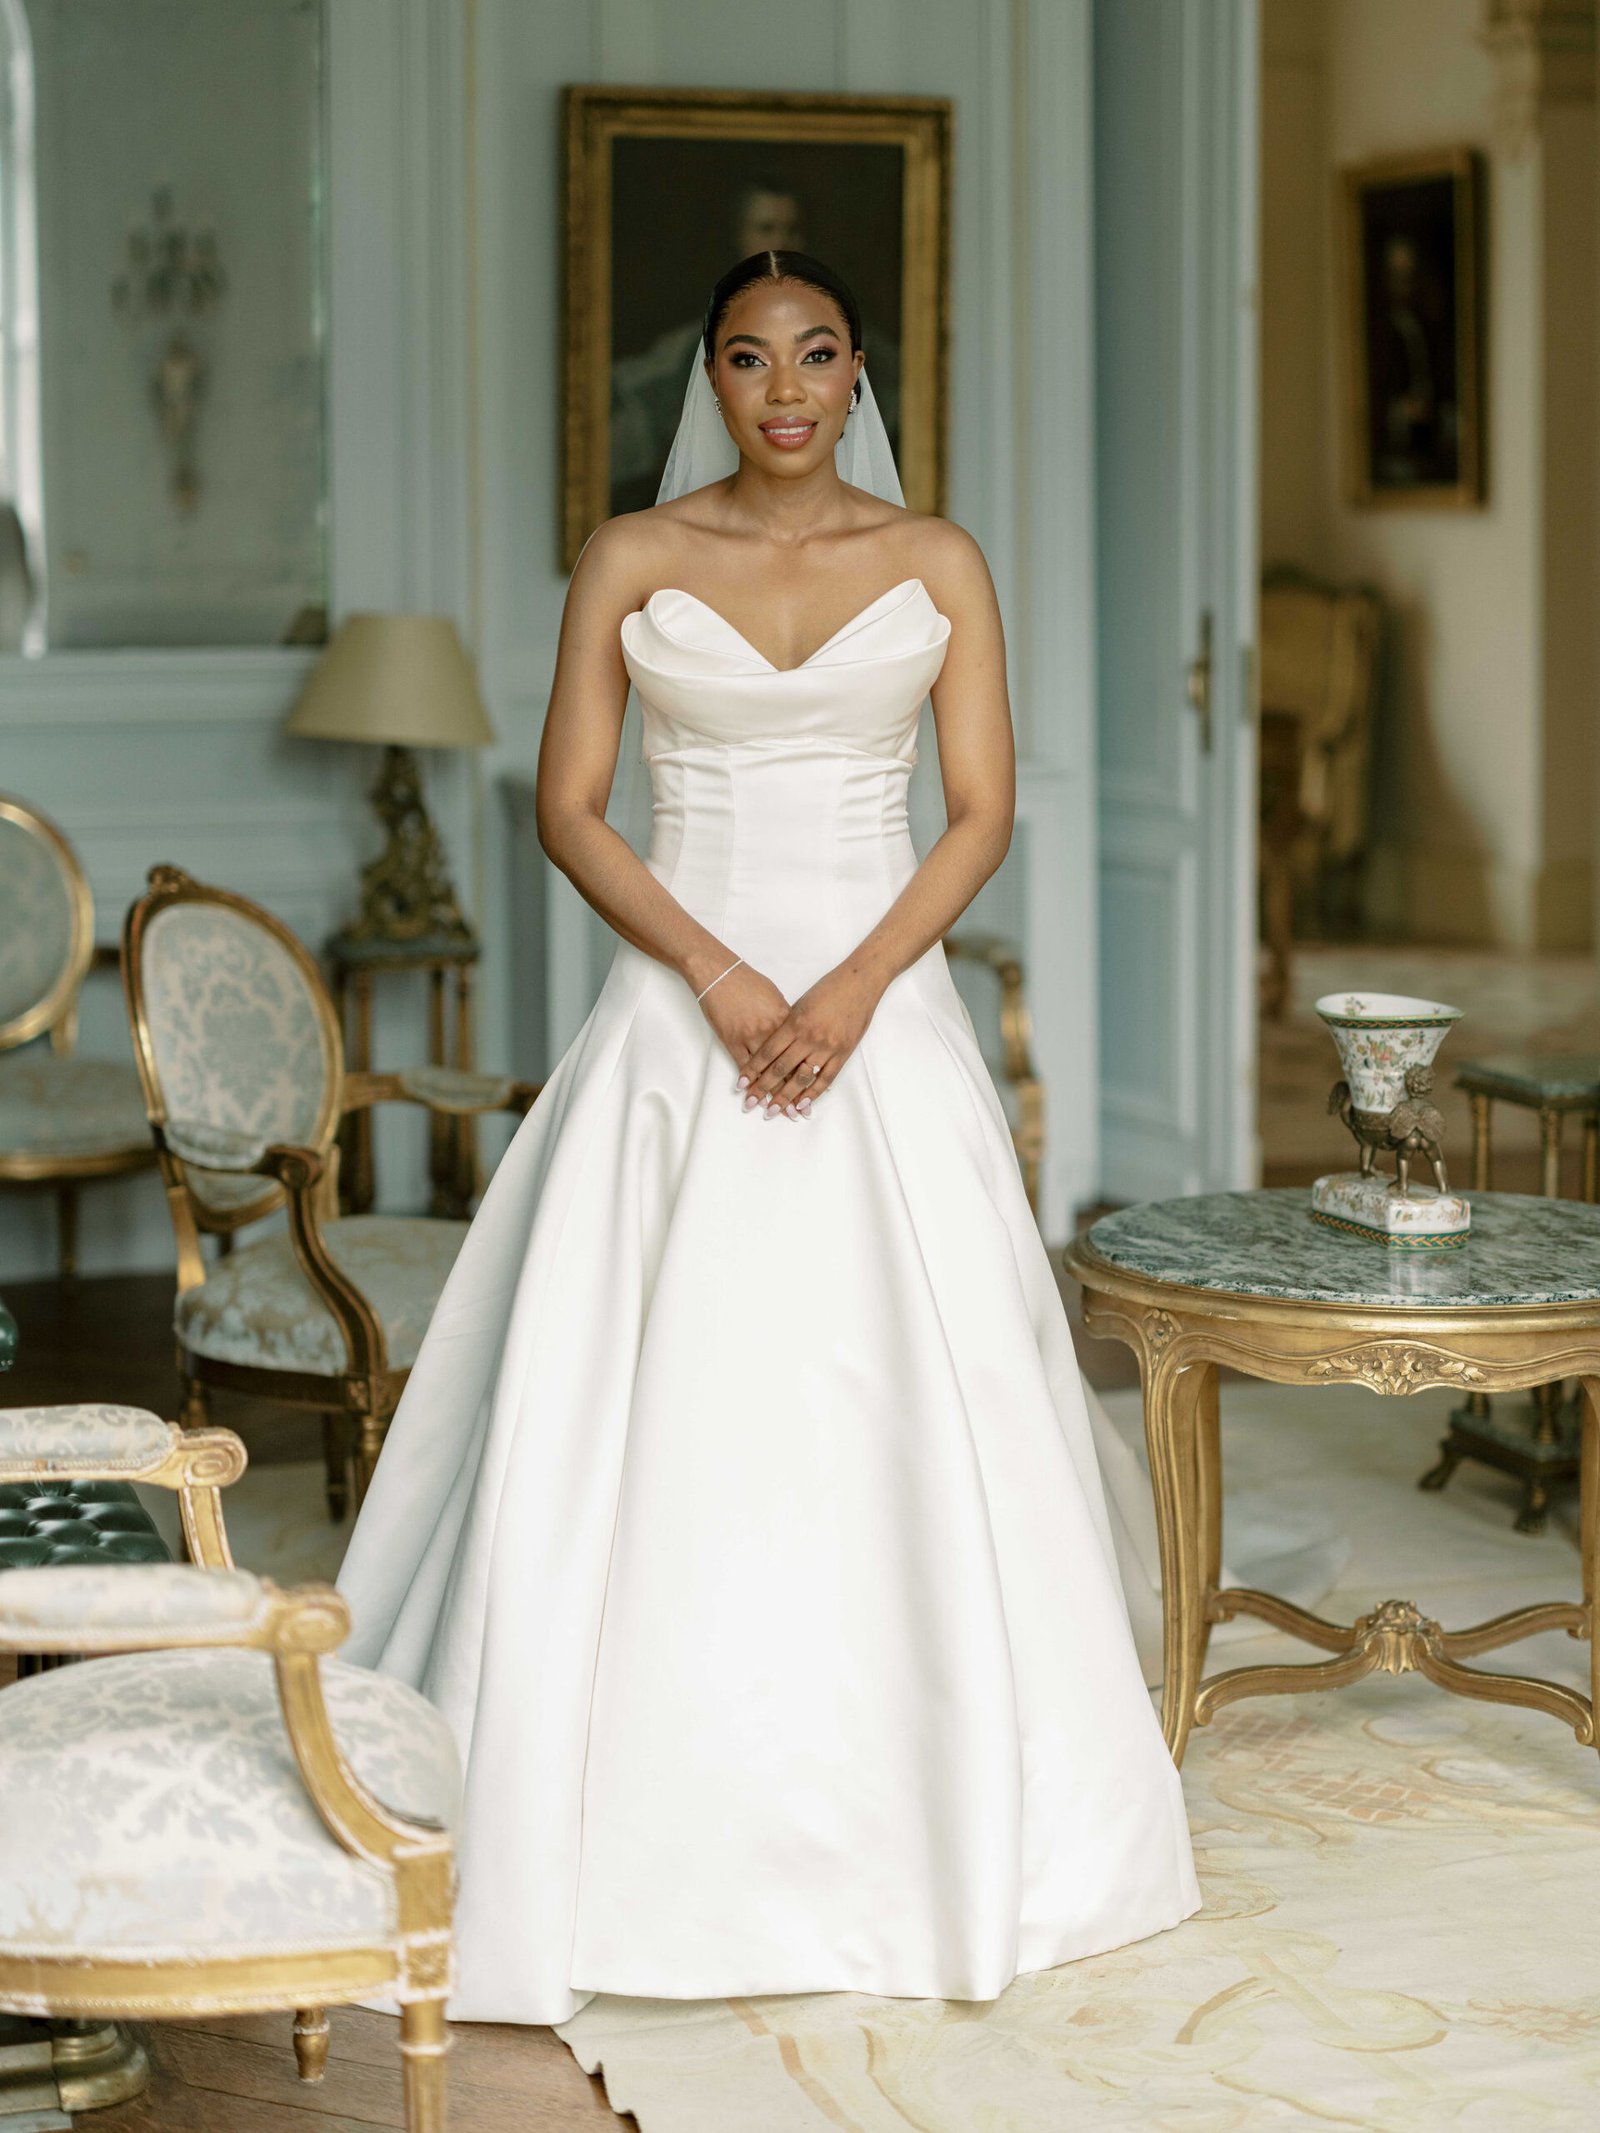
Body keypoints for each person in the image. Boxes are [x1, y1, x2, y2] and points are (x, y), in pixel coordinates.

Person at [337, 247, 1201, 2027]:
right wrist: (724, 977)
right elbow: (574, 811)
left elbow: (978, 815)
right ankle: (608, 1816)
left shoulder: (936, 559)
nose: (786, 387)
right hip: (681, 1016)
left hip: (881, 1016)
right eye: (750, 357)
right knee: (655, 1401)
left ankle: (950, 1809)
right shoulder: (635, 560)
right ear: (709, 379)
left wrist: (856, 990)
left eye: (816, 355)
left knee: (914, 1388)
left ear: (858, 372)